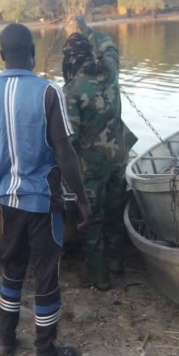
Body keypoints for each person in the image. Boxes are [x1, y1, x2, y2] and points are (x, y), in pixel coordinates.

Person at [0, 23, 91, 356]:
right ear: (33, 53)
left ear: (2, 55)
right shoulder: (48, 93)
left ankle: (6, 341)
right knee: (47, 273)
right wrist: (81, 198)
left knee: (12, 270)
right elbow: (64, 152)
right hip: (43, 201)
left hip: (8, 200)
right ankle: (45, 350)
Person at [61, 15, 136, 290]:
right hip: (119, 157)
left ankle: (100, 277)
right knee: (115, 209)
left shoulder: (71, 92)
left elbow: (68, 138)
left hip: (91, 166)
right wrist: (88, 29)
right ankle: (118, 262)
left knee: (92, 220)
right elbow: (109, 46)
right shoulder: (111, 74)